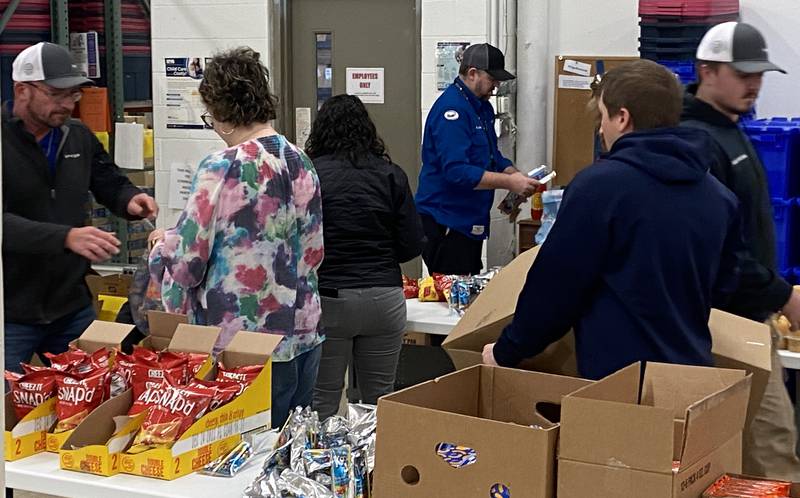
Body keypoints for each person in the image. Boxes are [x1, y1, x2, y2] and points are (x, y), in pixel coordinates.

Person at [481, 59, 742, 381]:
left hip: (618, 387)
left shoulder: (600, 188)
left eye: (602, 116)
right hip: (690, 380)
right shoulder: (719, 197)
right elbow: (726, 288)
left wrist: (507, 350)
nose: (600, 128)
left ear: (622, 117)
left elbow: (556, 289)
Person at [148, 47, 324, 429]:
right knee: (288, 460)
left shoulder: (223, 166)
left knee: (241, 464)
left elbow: (188, 262)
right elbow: (313, 251)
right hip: (303, 333)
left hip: (244, 346)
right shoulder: (300, 160)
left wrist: (163, 244)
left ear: (223, 111)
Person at [681, 21, 800, 481]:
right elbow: (717, 251)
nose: (754, 83)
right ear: (707, 71)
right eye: (743, 72)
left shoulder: (732, 131)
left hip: (749, 318)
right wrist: (782, 294)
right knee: (770, 452)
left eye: (760, 73)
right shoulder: (699, 141)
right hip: (726, 325)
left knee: (764, 452)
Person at [2, 42, 157, 373]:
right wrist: (65, 237)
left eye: (73, 95)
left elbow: (108, 180)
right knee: (8, 411)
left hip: (70, 307)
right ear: (22, 90)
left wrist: (130, 199)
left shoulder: (77, 136)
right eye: (57, 94)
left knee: (91, 396)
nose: (67, 105)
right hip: (9, 313)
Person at [305, 95, 425, 420]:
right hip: (383, 298)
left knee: (323, 402)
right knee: (379, 403)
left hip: (329, 299)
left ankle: (323, 469)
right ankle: (378, 470)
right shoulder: (391, 174)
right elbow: (412, 244)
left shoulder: (311, 176)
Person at [415, 43, 538, 276]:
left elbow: (492, 157)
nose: (496, 86)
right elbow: (457, 172)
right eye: (492, 79)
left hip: (470, 218)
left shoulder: (481, 108)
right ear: (472, 74)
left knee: (468, 282)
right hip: (446, 219)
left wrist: (515, 175)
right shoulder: (452, 111)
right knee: (453, 296)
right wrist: (509, 183)